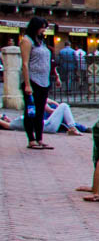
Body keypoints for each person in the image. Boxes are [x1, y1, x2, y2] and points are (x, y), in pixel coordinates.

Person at [19, 17, 55, 150]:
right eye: (42, 27)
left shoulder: (41, 41)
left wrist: (55, 76)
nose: (44, 30)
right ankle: (31, 139)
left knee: (40, 111)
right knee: (31, 111)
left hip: (44, 81)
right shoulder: (27, 41)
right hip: (32, 81)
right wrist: (27, 84)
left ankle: (40, 138)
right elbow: (25, 63)